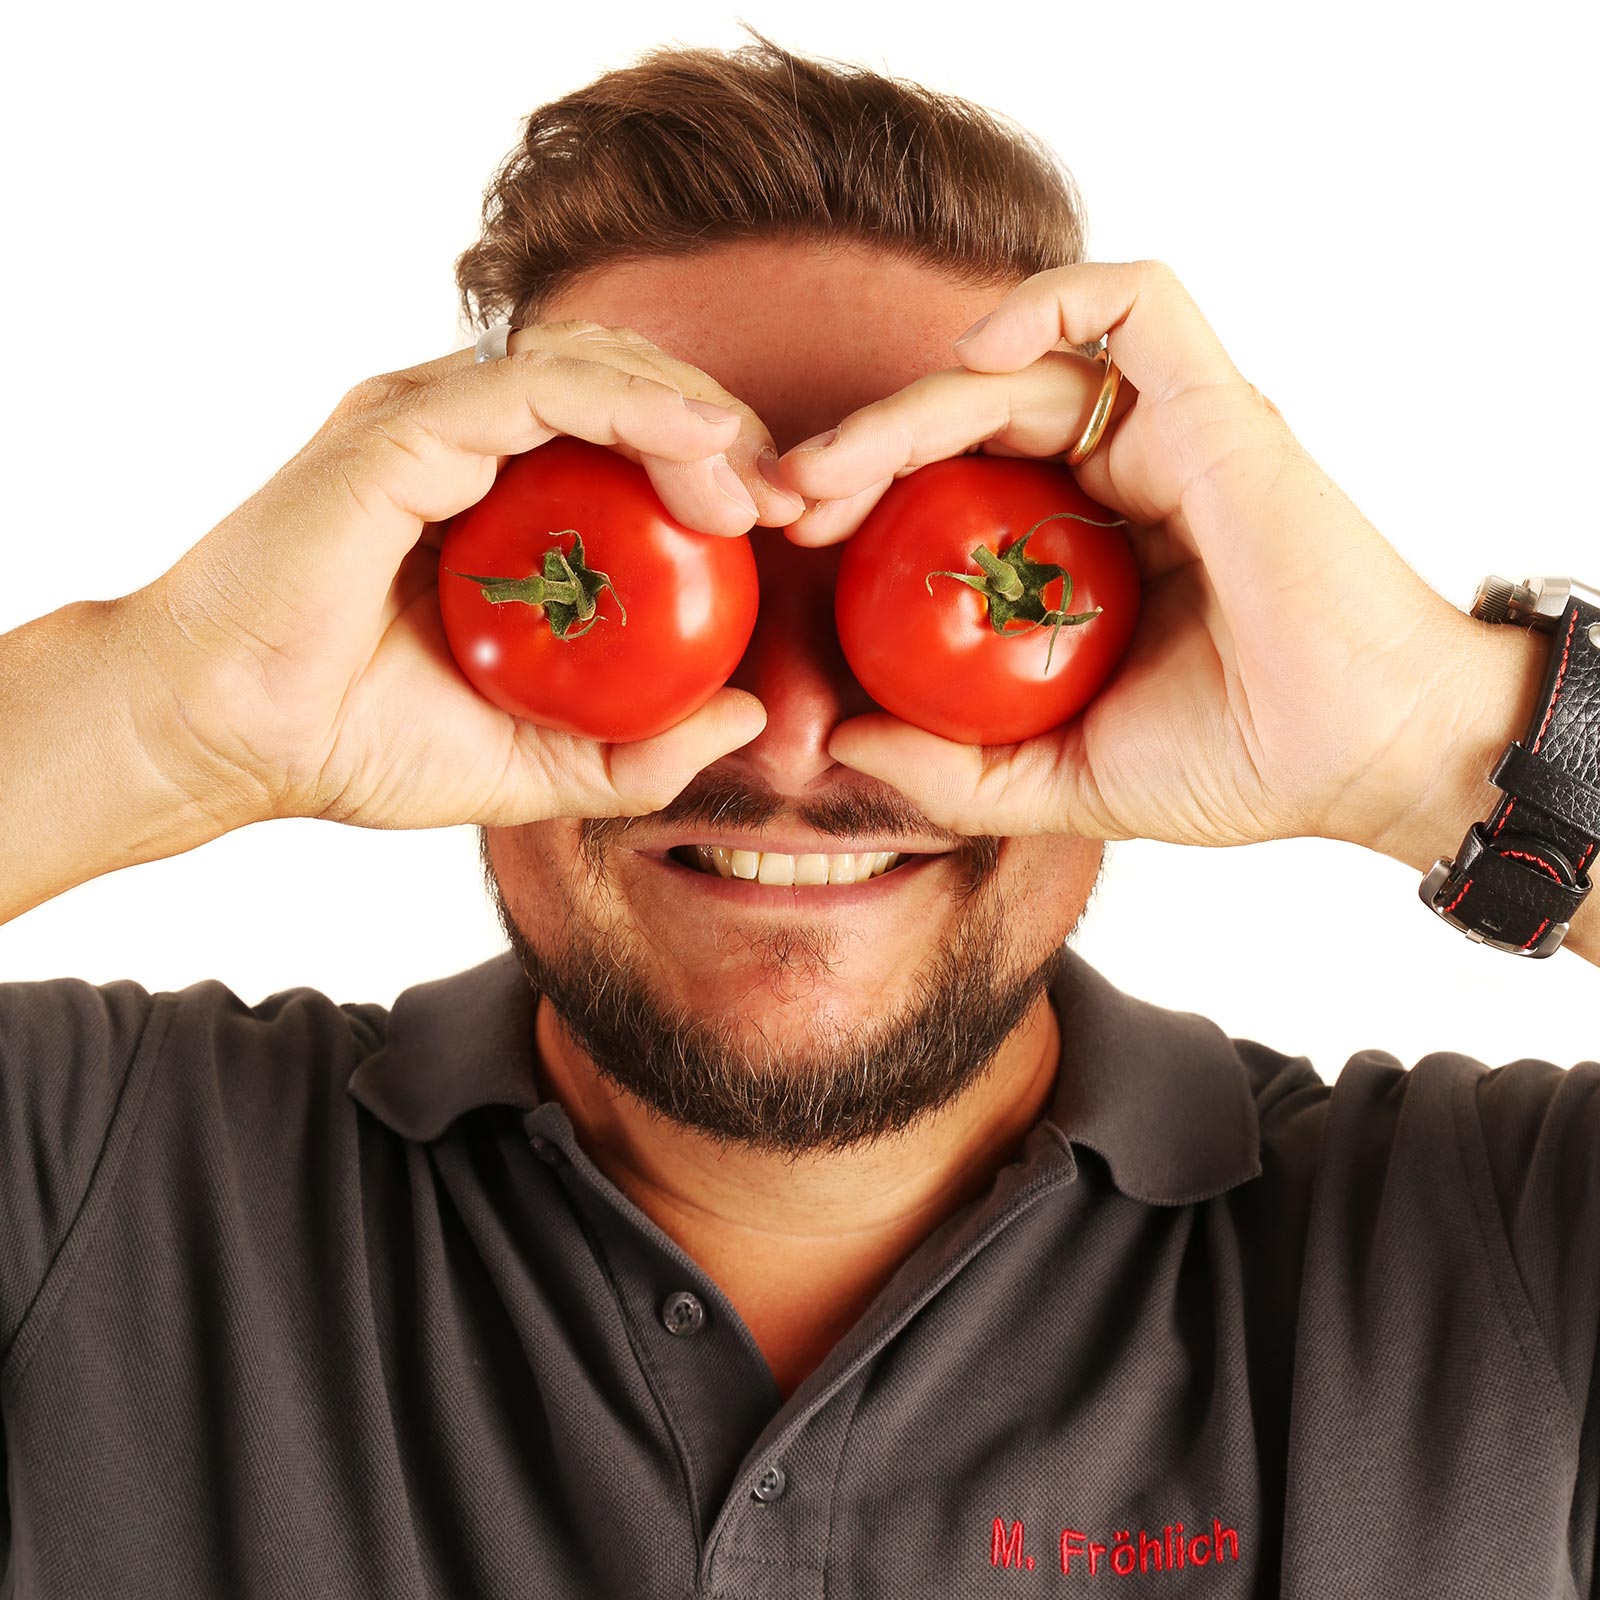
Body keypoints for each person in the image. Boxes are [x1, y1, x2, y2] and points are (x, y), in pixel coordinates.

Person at [1, 28, 1594, 1600]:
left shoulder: (1506, 1262)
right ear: (430, 592)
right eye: (659, 567)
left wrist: (1431, 738)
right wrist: (167, 717)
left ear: (1140, 623)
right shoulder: (86, 1188)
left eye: (906, 569)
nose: (794, 732)